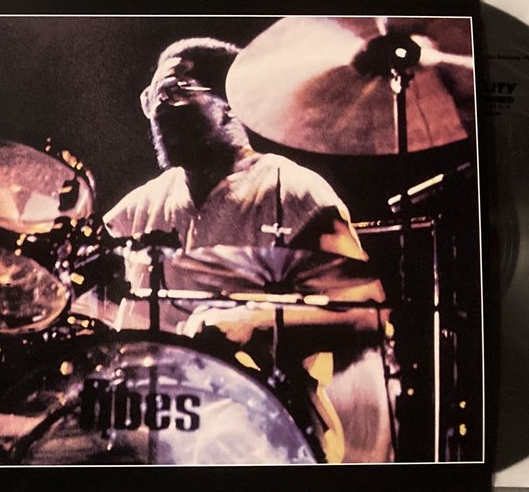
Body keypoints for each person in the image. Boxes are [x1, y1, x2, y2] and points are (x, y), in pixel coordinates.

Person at [100, 37, 394, 463]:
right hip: (154, 436)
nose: (161, 109)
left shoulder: (291, 191)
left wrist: (253, 323)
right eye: (153, 97)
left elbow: (368, 314)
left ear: (230, 104)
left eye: (175, 92)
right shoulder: (136, 208)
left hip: (264, 438)